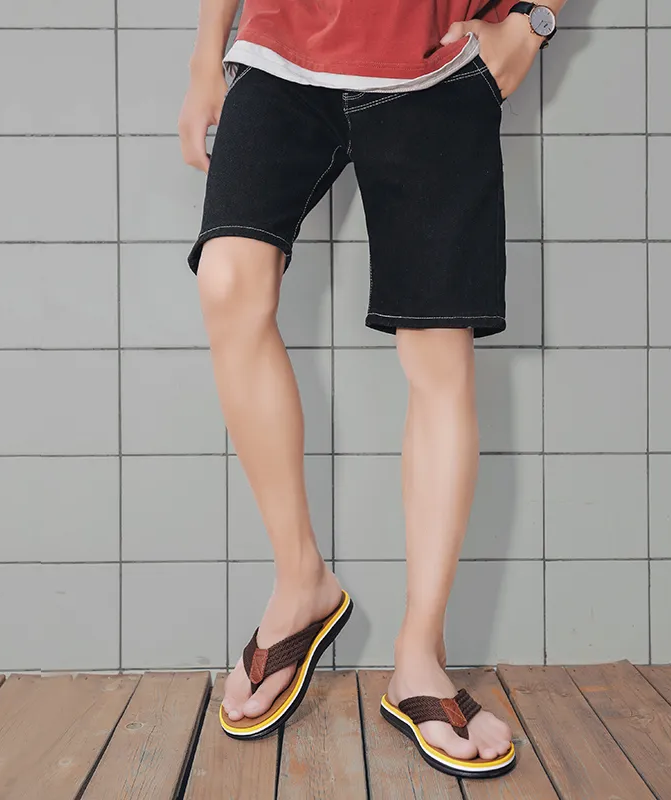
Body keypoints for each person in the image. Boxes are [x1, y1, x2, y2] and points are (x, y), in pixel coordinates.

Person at [179, 0, 566, 779]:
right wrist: (204, 56)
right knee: (227, 282)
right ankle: (302, 582)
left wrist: (535, 22)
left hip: (436, 63)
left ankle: (420, 655)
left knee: (439, 350)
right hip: (281, 52)